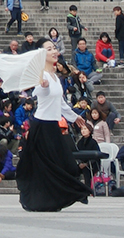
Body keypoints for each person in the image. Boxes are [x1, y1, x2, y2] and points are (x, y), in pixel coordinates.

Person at [17, 42, 90, 212]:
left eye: (54, 48)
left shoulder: (55, 77)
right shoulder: (42, 76)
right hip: (42, 126)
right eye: (49, 49)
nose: (54, 51)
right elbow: (40, 93)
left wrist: (75, 117)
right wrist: (44, 86)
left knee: (63, 163)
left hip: (53, 126)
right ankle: (44, 200)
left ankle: (56, 198)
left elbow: (61, 103)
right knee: (48, 165)